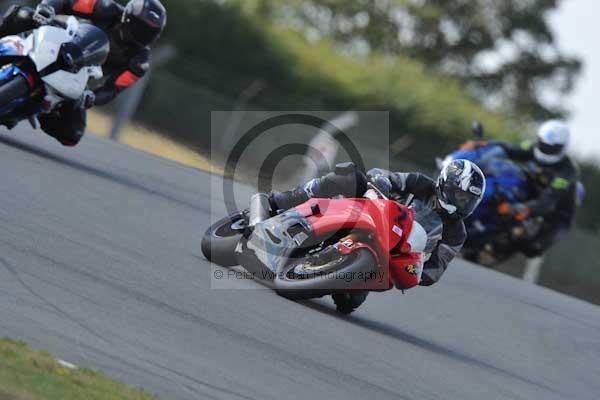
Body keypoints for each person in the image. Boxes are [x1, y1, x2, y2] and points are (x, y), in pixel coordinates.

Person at [269, 160, 486, 312]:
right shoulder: (419, 183)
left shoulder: (456, 233)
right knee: (350, 176)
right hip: (368, 217)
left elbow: (435, 270)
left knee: (348, 304)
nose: (463, 202)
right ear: (446, 184)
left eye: (469, 200)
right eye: (461, 194)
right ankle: (284, 200)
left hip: (388, 260)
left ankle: (318, 272)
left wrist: (415, 269)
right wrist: (380, 183)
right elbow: (384, 176)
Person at [0, 0, 167, 146]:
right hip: (59, 39)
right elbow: (66, 1)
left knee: (72, 134)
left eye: (149, 33)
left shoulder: (139, 62)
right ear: (128, 17)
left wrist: (91, 97)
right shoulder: (104, 7)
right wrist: (47, 8)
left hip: (78, 75)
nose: (143, 35)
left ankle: (34, 109)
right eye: (141, 28)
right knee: (21, 14)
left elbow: (113, 89)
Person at [495, 120, 579, 257]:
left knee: (533, 249)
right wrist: (484, 144)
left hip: (557, 213)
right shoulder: (532, 147)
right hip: (532, 194)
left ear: (562, 148)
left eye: (552, 148)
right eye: (544, 144)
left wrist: (523, 209)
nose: (546, 149)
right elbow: (511, 149)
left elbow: (548, 201)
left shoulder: (566, 172)